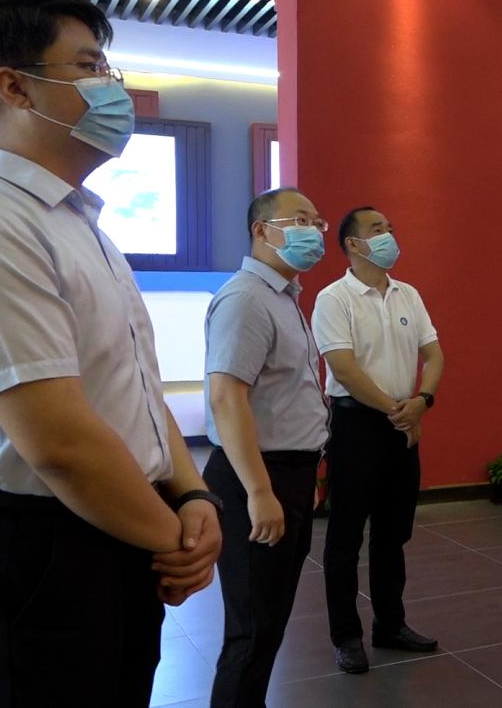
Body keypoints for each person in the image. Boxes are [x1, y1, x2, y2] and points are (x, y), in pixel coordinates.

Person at [0, 0, 222, 707]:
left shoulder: (79, 224)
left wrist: (191, 492)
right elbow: (60, 442)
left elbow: (136, 387)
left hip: (114, 525)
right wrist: (175, 539)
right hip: (30, 547)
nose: (112, 88)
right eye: (90, 67)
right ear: (15, 87)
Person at [204, 188, 331, 706]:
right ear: (262, 231)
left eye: (317, 222)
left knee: (270, 621)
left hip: (288, 473)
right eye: (300, 220)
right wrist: (260, 491)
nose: (314, 231)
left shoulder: (283, 297)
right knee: (252, 629)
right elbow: (226, 396)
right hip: (256, 475)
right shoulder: (247, 299)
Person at [312, 206, 444, 674]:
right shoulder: (334, 298)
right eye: (376, 229)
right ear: (353, 243)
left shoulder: (408, 294)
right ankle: (346, 636)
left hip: (403, 421)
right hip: (356, 425)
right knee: (346, 536)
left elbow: (434, 354)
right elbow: (343, 368)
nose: (388, 235)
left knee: (393, 532)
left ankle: (391, 624)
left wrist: (423, 400)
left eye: (389, 228)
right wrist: (398, 410)